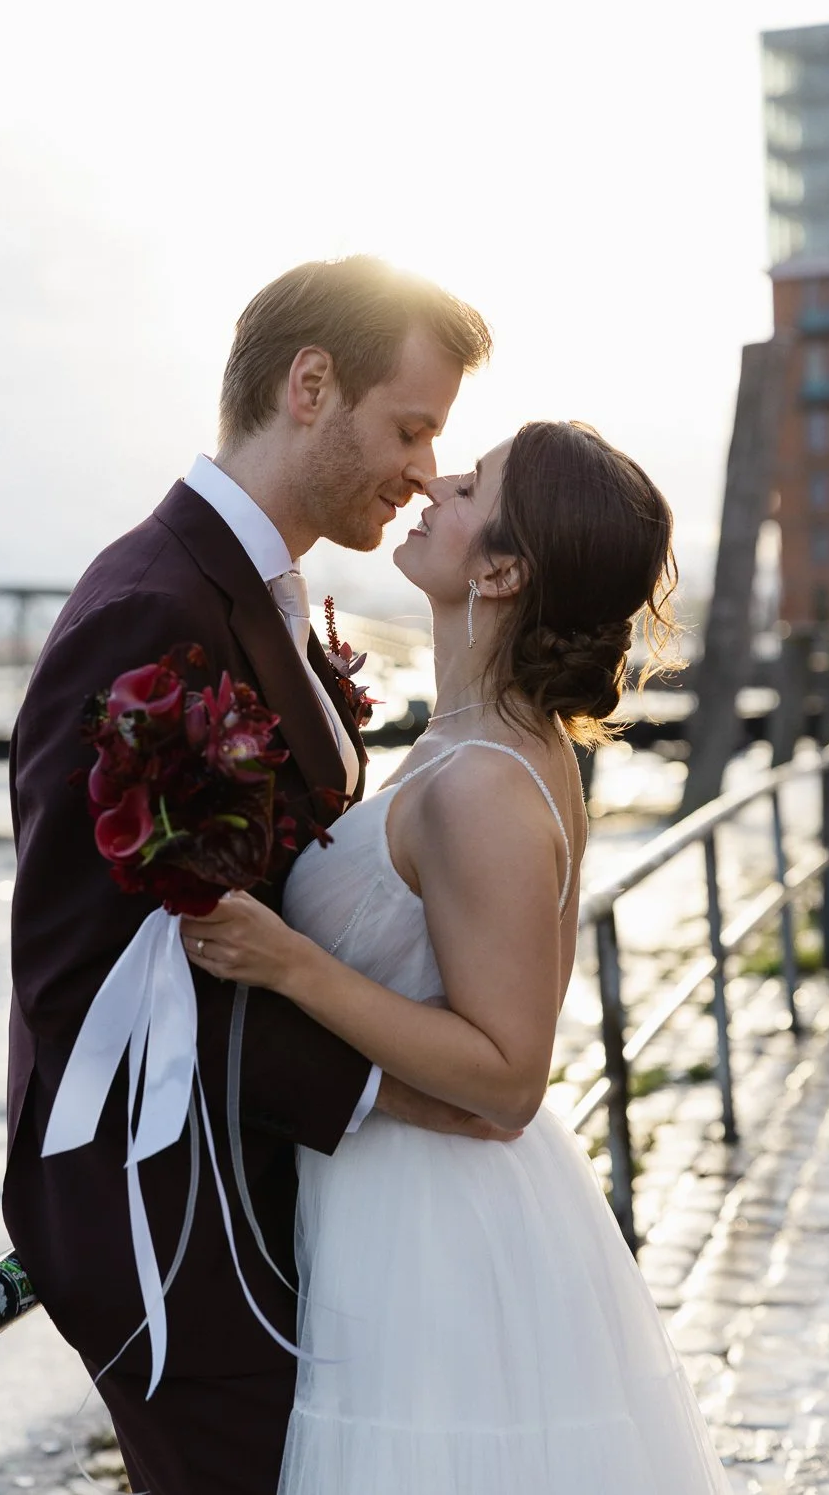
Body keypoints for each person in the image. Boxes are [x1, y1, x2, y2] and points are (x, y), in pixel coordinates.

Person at [2, 255, 495, 1495]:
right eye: (412, 428)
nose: (427, 470)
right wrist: (389, 1089)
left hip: (266, 1193)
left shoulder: (255, 595)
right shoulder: (148, 609)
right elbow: (80, 980)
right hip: (177, 1224)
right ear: (312, 384)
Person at [183, 420, 733, 1493]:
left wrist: (290, 965)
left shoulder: (485, 779)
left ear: (503, 568)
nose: (434, 482)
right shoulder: (481, 739)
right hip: (402, 1194)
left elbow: (508, 1077)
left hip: (436, 1228)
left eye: (471, 484)